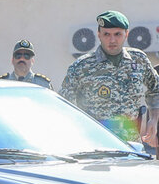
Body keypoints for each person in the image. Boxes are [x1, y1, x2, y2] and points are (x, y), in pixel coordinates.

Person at [60, 10, 159, 147]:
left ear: (126, 34)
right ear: (99, 35)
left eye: (117, 34)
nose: (112, 40)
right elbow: (65, 106)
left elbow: (156, 90)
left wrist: (153, 119)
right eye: (107, 34)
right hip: (96, 146)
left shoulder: (139, 60)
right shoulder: (82, 66)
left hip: (131, 145)